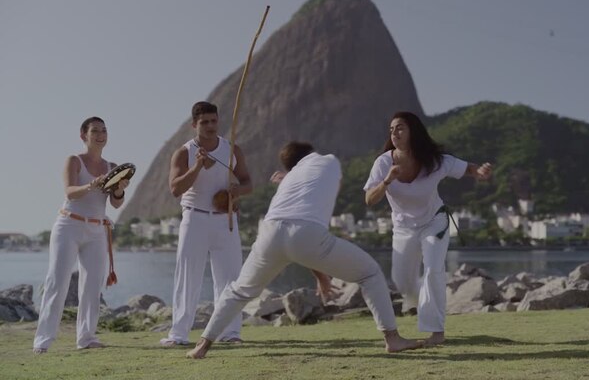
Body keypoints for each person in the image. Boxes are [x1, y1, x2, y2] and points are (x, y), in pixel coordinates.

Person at [185, 141, 422, 359]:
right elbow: (307, 232)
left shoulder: (289, 181)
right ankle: (393, 338)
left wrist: (321, 276)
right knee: (370, 273)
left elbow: (293, 238)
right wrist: (322, 274)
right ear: (310, 153)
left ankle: (203, 345)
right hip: (306, 233)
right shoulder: (329, 160)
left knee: (239, 291)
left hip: (270, 232)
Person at [364, 112, 492, 346]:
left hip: (435, 221)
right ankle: (414, 300)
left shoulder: (435, 160)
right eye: (391, 129)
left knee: (433, 269)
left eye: (400, 128)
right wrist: (387, 181)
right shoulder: (384, 163)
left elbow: (468, 168)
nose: (394, 133)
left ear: (413, 131)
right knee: (402, 281)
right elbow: (369, 200)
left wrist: (479, 173)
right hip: (404, 228)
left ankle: (436, 333)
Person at [33, 117, 129, 353]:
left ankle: (86, 338)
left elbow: (116, 205)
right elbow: (70, 191)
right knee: (58, 282)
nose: (101, 135)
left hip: (97, 230)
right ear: (83, 136)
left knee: (92, 284)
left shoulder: (112, 166)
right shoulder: (74, 161)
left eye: (104, 130)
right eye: (95, 131)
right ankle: (43, 340)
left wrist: (118, 190)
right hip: (69, 226)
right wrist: (90, 185)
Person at [160, 101, 253, 346]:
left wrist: (238, 191)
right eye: (205, 122)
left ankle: (230, 333)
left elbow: (248, 182)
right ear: (194, 125)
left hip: (226, 220)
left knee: (230, 279)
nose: (211, 126)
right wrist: (198, 166)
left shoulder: (232, 148)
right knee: (188, 277)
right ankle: (178, 335)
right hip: (195, 217)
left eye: (214, 121)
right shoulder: (184, 152)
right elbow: (175, 188)